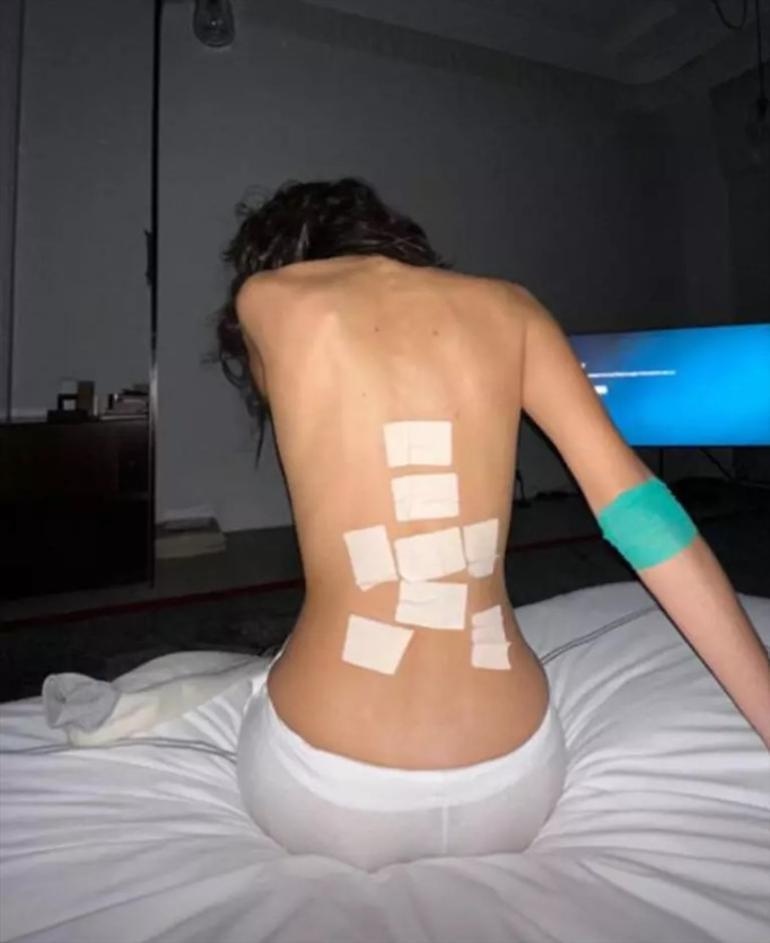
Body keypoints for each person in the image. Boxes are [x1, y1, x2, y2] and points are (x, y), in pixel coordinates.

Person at [211, 177, 770, 870]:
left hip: (327, 793)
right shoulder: (511, 307)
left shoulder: (267, 299)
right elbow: (643, 517)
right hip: (514, 782)